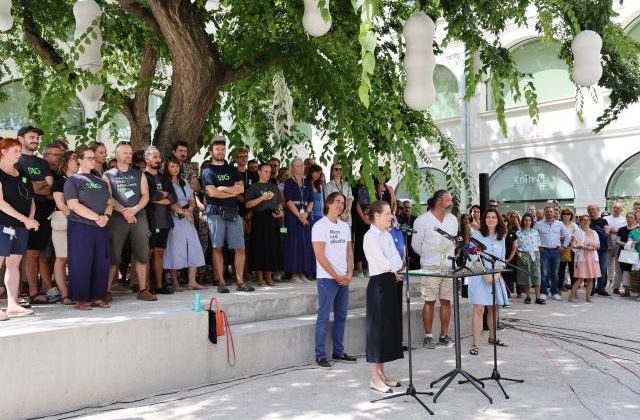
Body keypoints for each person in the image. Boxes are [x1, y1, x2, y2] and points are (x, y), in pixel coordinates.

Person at [201, 135, 254, 293]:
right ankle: (222, 282)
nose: (221, 151)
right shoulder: (207, 171)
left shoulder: (232, 169)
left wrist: (222, 189)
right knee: (217, 248)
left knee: (240, 248)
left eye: (223, 149)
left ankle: (239, 281)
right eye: (217, 149)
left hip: (232, 212)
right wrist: (230, 191)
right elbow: (211, 193)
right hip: (215, 213)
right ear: (212, 152)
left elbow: (241, 189)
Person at [103, 141, 155, 301]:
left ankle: (143, 290)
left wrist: (135, 209)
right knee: (114, 256)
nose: (128, 155)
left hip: (138, 216)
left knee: (142, 254)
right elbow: (108, 197)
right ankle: (106, 291)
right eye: (125, 152)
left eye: (130, 152)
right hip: (118, 218)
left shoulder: (139, 174)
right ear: (117, 155)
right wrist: (124, 211)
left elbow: (145, 195)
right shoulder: (108, 175)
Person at [362, 200, 404, 392]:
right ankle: (373, 377)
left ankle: (382, 374)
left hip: (391, 282)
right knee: (376, 331)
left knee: (386, 330)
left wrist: (394, 265)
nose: (391, 217)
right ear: (376, 216)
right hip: (379, 284)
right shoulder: (370, 237)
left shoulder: (387, 235)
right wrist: (393, 265)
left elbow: (397, 257)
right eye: (387, 213)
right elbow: (382, 262)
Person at [311, 192, 355, 369]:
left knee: (341, 316)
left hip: (343, 278)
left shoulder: (344, 226)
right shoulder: (320, 226)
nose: (340, 205)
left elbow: (349, 252)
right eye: (337, 201)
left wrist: (350, 272)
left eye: (342, 202)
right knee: (323, 316)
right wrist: (336, 275)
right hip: (327, 278)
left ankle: (338, 351)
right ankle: (320, 355)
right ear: (328, 203)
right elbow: (320, 255)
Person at [65, 146, 113, 310]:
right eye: (89, 158)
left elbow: (109, 204)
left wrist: (105, 217)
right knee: (81, 262)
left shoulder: (101, 181)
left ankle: (97, 296)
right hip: (81, 226)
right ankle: (80, 299)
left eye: (94, 158)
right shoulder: (72, 181)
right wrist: (97, 218)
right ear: (79, 160)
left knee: (101, 261)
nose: (93, 160)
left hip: (101, 226)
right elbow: (73, 205)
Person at [411, 189, 456, 349]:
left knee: (446, 301)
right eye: (448, 200)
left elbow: (453, 242)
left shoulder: (453, 220)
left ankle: (444, 336)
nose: (451, 203)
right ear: (438, 201)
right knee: (429, 301)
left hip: (448, 267)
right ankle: (428, 336)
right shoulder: (422, 221)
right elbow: (415, 245)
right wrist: (429, 258)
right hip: (430, 266)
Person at [16, 126, 55, 305]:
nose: (35, 140)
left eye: (37, 138)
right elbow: (23, 188)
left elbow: (50, 188)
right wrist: (38, 186)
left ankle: (33, 292)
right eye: (31, 137)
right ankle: (15, 294)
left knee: (33, 253)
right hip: (21, 212)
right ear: (20, 138)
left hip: (43, 212)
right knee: (14, 254)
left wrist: (35, 186)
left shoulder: (42, 163)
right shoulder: (16, 160)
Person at [0, 138, 38, 319]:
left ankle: (12, 304)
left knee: (14, 264)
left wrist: (30, 219)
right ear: (3, 152)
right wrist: (25, 219)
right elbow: (1, 203)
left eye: (19, 151)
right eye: (15, 150)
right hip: (2, 224)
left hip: (21, 226)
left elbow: (31, 199)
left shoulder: (22, 172)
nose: (19, 154)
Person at [468, 208, 510, 355]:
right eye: (488, 217)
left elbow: (502, 258)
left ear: (498, 220)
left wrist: (497, 274)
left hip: (495, 276)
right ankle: (475, 344)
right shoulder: (477, 235)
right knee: (479, 308)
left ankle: (493, 337)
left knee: (493, 308)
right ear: (484, 220)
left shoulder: (501, 237)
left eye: (494, 217)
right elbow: (472, 256)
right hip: (480, 276)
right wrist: (485, 273)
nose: (491, 219)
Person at [162, 158, 207, 291]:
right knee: (175, 249)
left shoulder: (184, 182)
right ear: (167, 168)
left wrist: (190, 210)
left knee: (194, 247)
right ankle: (175, 283)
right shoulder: (166, 183)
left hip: (188, 218)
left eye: (177, 166)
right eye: (172, 166)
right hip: (175, 218)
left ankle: (192, 282)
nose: (175, 168)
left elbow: (192, 198)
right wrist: (183, 212)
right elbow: (170, 201)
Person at [245, 163, 284, 286]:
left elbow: (279, 203)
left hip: (272, 218)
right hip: (259, 218)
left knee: (272, 247)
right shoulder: (254, 187)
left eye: (269, 171)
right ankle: (260, 277)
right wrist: (262, 198)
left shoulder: (274, 187)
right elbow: (247, 204)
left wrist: (280, 212)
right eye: (265, 171)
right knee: (260, 247)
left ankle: (269, 276)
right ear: (259, 172)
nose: (268, 174)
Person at [144, 146, 176, 294]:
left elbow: (172, 198)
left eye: (159, 157)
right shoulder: (142, 176)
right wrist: (159, 195)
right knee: (147, 254)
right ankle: (145, 287)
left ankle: (158, 285)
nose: (158, 160)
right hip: (149, 221)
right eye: (154, 157)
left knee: (159, 253)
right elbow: (147, 196)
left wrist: (157, 197)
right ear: (147, 159)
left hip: (164, 222)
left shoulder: (164, 178)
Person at [51, 151, 78, 306]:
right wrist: (78, 217)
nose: (77, 162)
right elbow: (60, 204)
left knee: (77, 259)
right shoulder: (59, 181)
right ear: (65, 162)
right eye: (74, 159)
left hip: (80, 223)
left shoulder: (82, 180)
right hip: (64, 222)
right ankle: (64, 294)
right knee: (61, 258)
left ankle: (76, 291)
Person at [283, 157, 315, 283]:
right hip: (293, 215)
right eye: (298, 166)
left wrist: (306, 213)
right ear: (293, 168)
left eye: (302, 165)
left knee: (305, 243)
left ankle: (303, 273)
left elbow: (311, 200)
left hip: (305, 215)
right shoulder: (289, 182)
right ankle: (294, 274)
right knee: (294, 243)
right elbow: (288, 201)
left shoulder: (307, 182)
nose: (301, 167)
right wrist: (299, 216)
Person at [533, 206, 571, 302]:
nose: (549, 213)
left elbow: (568, 236)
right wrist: (537, 246)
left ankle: (554, 292)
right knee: (544, 273)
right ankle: (543, 292)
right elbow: (533, 236)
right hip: (544, 251)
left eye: (551, 212)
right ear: (544, 213)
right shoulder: (538, 224)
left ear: (554, 213)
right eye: (547, 212)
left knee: (555, 273)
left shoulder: (559, 224)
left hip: (556, 251)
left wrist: (564, 246)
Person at [570, 213, 601, 302]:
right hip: (582, 257)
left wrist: (593, 247)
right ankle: (571, 296)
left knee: (591, 278)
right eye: (584, 220)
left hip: (592, 257)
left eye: (587, 220)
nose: (586, 221)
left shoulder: (594, 232)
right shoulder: (578, 232)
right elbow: (573, 245)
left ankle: (588, 297)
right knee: (581, 278)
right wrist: (582, 247)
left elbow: (598, 245)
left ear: (590, 221)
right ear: (580, 221)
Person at [516, 213, 542, 304]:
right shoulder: (518, 232)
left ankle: (538, 297)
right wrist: (519, 255)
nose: (528, 222)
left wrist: (538, 255)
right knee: (525, 276)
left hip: (535, 255)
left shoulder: (535, 232)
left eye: (530, 220)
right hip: (523, 255)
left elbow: (538, 245)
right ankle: (528, 297)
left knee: (537, 276)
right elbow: (515, 246)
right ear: (523, 221)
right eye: (526, 220)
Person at [587, 204, 610, 296]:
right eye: (590, 210)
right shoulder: (587, 221)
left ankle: (601, 289)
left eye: (593, 209)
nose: (591, 211)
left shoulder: (603, 220)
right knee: (591, 269)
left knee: (603, 269)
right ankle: (591, 289)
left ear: (598, 210)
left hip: (602, 248)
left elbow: (606, 233)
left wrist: (604, 231)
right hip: (590, 249)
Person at [615, 212, 639, 297]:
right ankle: (626, 291)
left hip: (636, 254)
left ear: (635, 219)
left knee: (635, 271)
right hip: (624, 253)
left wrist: (631, 244)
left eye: (631, 217)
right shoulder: (622, 229)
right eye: (628, 217)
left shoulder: (637, 228)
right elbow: (617, 241)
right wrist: (627, 245)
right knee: (625, 271)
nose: (629, 219)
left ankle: (635, 290)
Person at [605, 203, 626, 294]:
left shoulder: (624, 219)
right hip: (607, 245)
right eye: (614, 207)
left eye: (618, 208)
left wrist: (613, 230)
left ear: (621, 210)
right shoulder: (606, 218)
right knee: (606, 266)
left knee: (618, 268)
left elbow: (624, 230)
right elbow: (604, 229)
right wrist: (615, 230)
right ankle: (607, 283)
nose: (616, 209)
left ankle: (616, 287)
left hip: (618, 246)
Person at [324, 162, 353, 226]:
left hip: (346, 216)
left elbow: (350, 198)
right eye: (336, 169)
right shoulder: (328, 186)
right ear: (332, 172)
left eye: (340, 169)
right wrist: (341, 214)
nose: (339, 171)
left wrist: (347, 212)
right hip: (335, 217)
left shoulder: (347, 184)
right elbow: (329, 202)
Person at [558, 208, 578, 293]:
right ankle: (559, 289)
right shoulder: (558, 224)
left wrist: (571, 238)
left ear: (571, 215)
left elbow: (578, 236)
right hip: (561, 249)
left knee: (572, 270)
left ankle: (574, 291)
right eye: (564, 214)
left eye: (568, 214)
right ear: (561, 215)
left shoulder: (574, 225)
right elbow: (554, 236)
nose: (566, 215)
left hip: (572, 249)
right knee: (560, 270)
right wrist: (562, 237)